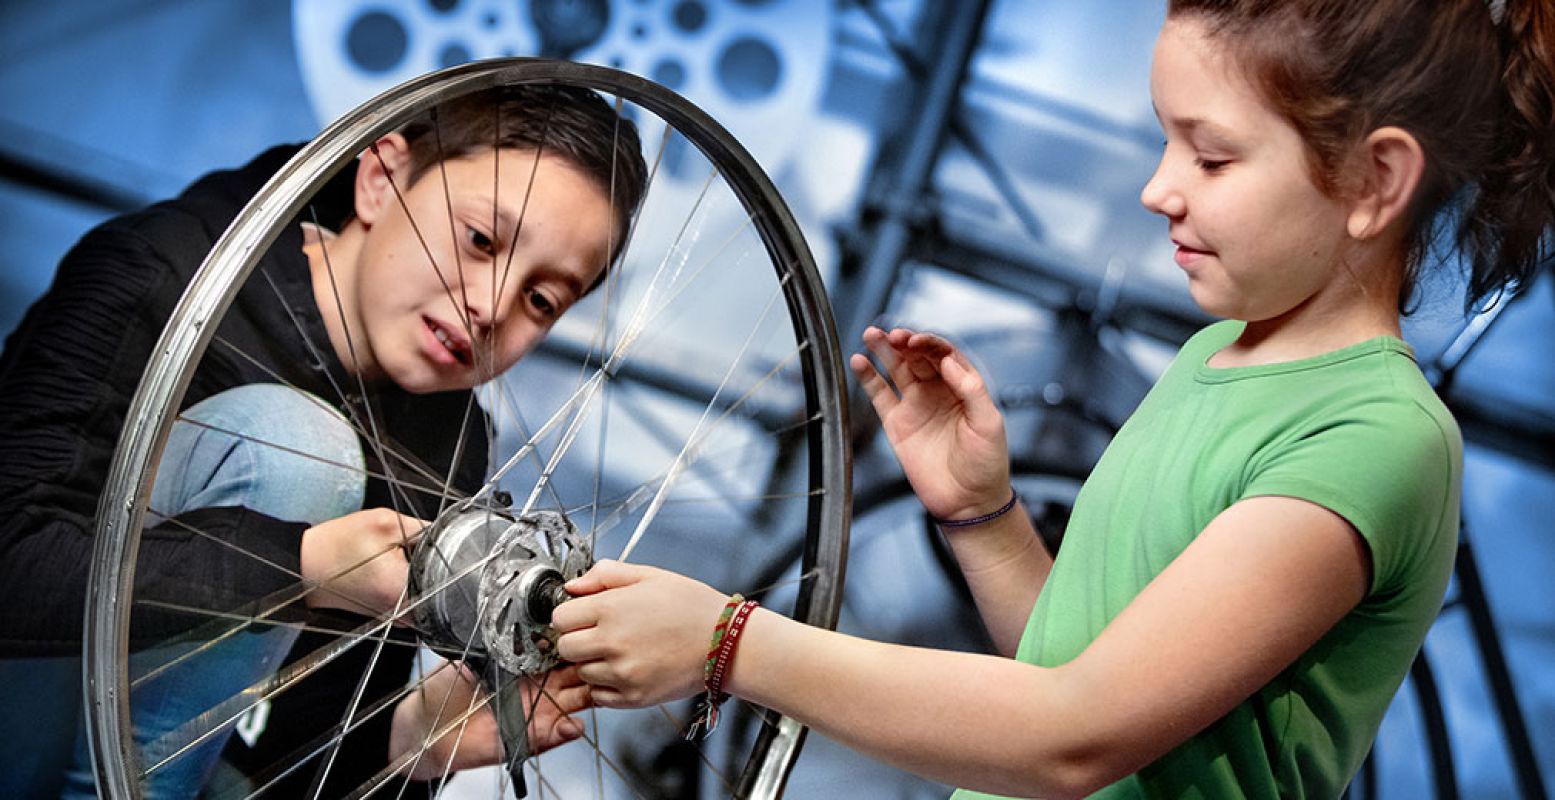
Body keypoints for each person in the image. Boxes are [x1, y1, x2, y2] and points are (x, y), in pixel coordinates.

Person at [550, 1, 1555, 797]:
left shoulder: (1375, 438)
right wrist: (981, 513)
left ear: (1376, 180)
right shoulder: (1215, 353)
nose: (1159, 188)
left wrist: (731, 641)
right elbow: (1081, 669)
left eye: (1209, 156)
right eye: (1164, 144)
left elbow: (1074, 736)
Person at [0, 83, 646, 797]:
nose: (492, 307)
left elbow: (281, 743)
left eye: (541, 300)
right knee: (294, 444)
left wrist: (415, 737)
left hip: (179, 768)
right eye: (480, 240)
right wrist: (302, 566)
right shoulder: (158, 273)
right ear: (379, 179)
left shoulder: (451, 438)